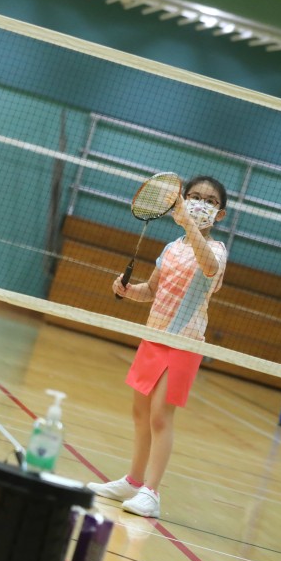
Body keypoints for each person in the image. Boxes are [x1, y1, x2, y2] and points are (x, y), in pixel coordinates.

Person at [88, 176, 229, 518]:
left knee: (160, 417)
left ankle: (151, 493)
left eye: (209, 201)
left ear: (220, 214)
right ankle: (134, 481)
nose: (200, 204)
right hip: (154, 337)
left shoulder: (218, 251)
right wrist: (126, 291)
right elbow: (152, 290)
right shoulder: (170, 249)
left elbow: (208, 267)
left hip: (184, 343)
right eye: (194, 196)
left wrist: (186, 222)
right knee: (139, 413)